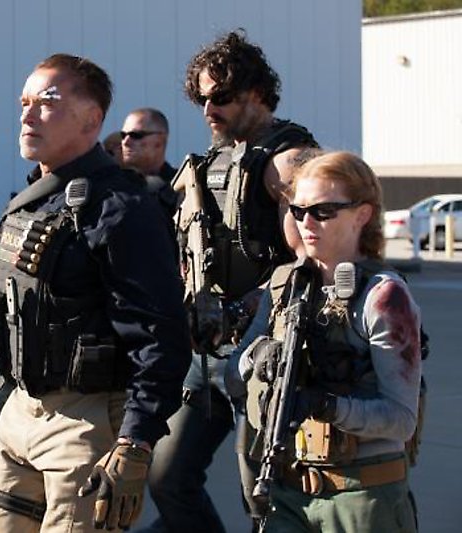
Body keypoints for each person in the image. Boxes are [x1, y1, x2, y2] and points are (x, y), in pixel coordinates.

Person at [0, 53, 191, 532]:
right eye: (23, 103)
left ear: (91, 118)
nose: (28, 114)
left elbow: (160, 335)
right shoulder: (36, 200)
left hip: (86, 424)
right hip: (20, 410)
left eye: (46, 101)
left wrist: (134, 443)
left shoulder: (121, 208)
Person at [143, 30, 318, 533]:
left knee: (262, 497)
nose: (208, 109)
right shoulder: (219, 158)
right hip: (207, 351)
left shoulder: (287, 160)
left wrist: (257, 306)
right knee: (167, 476)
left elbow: (313, 256)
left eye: (220, 97)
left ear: (257, 93)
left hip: (265, 353)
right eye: (201, 98)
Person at [240, 151, 421, 532]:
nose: (306, 222)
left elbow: (401, 420)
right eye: (298, 210)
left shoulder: (384, 297)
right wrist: (258, 357)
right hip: (287, 491)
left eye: (323, 211)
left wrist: (327, 406)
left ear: (362, 215)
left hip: (362, 494)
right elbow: (232, 378)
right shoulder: (284, 287)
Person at [120, 108, 179, 217]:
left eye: (136, 135)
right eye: (123, 135)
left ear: (160, 140)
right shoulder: (113, 185)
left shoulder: (180, 186)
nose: (126, 142)